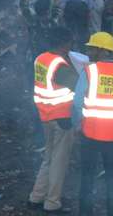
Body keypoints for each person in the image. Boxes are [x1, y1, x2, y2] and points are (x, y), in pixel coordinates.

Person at [72, 32, 113, 216]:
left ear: (101, 50)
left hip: (90, 133)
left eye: (92, 48)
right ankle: (112, 212)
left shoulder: (90, 71)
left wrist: (78, 123)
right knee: (112, 177)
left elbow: (77, 101)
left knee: (87, 177)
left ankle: (85, 213)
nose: (88, 51)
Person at [29, 27, 78, 214]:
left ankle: (36, 196)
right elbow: (78, 83)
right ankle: (52, 202)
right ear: (64, 43)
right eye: (70, 43)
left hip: (46, 116)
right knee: (59, 160)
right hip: (62, 117)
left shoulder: (40, 59)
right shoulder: (60, 65)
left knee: (48, 158)